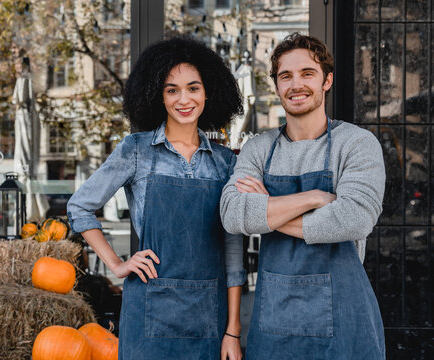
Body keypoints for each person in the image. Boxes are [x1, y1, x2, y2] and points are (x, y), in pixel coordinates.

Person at [67, 36, 246, 360]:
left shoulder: (224, 163)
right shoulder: (136, 150)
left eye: (193, 87)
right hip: (149, 310)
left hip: (208, 315)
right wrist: (117, 265)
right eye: (172, 90)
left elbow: (234, 255)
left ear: (208, 92)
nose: (184, 99)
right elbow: (80, 206)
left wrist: (232, 330)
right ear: (158, 96)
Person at [220, 33, 386, 359]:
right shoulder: (258, 149)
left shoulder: (356, 143)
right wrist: (312, 198)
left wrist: (266, 209)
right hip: (273, 322)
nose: (296, 84)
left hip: (345, 321)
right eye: (286, 76)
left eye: (307, 73)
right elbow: (231, 213)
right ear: (277, 86)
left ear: (327, 80)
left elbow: (353, 219)